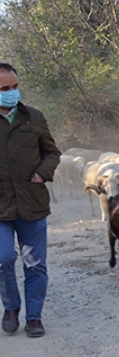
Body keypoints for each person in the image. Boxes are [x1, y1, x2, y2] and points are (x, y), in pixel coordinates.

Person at [0, 62, 61, 338]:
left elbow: (52, 152)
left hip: (32, 201)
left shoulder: (33, 117)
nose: (11, 93)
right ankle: (11, 307)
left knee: (35, 263)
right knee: (3, 257)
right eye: (4, 89)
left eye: (14, 87)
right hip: (1, 204)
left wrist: (42, 173)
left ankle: (34, 317)